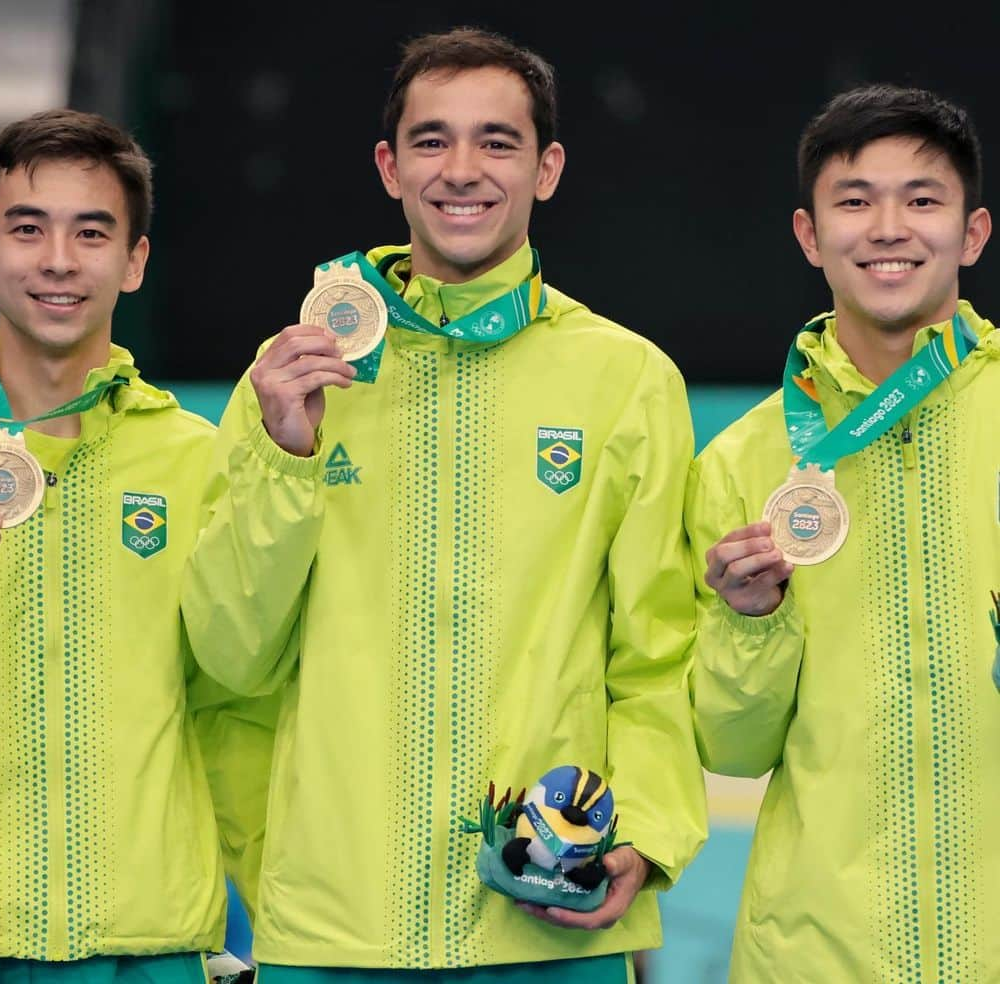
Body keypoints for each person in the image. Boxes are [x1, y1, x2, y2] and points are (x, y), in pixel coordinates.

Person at [182, 26, 706, 984]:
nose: (461, 170)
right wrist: (288, 456)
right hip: (333, 934)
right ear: (389, 166)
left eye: (497, 142)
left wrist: (651, 833)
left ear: (547, 169)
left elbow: (659, 654)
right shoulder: (291, 377)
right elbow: (229, 657)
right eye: (430, 140)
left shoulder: (628, 381)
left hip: (549, 920)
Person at [687, 84, 1000, 981]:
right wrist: (748, 621)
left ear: (972, 233)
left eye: (923, 200)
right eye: (855, 201)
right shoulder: (744, 460)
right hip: (817, 951)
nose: (889, 227)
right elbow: (732, 749)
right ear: (809, 234)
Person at [0, 109, 231, 983]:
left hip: (149, 943)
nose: (59, 260)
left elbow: (242, 701)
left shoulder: (196, 461)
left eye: (91, 232)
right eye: (28, 229)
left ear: (134, 262)